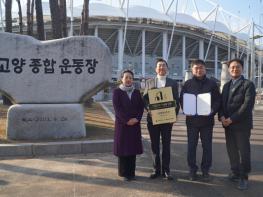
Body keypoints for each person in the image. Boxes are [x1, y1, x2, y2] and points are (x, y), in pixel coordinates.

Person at [180, 59, 221, 181]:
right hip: (191, 121)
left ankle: (205, 170)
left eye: (201, 68)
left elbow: (217, 100)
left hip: (207, 122)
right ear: (192, 70)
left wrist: (212, 111)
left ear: (205, 69)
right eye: (196, 68)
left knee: (207, 147)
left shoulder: (212, 84)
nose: (199, 70)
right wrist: (185, 109)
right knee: (191, 146)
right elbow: (182, 99)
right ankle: (192, 169)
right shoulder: (187, 84)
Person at [219, 58, 256, 190]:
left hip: (241, 125)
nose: (235, 69)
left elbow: (247, 106)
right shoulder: (227, 86)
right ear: (229, 70)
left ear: (242, 69)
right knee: (232, 150)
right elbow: (221, 104)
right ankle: (235, 172)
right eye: (232, 67)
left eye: (238, 67)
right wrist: (222, 116)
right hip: (228, 125)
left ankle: (243, 177)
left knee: (244, 151)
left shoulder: (248, 84)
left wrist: (232, 119)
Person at [143, 58, 180, 180]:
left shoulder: (173, 83)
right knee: (154, 145)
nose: (161, 68)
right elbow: (145, 99)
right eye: (159, 66)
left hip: (167, 119)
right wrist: (149, 109)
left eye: (164, 66)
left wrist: (174, 116)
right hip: (152, 119)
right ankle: (156, 169)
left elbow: (176, 101)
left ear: (167, 69)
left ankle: (166, 170)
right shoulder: (150, 82)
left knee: (166, 145)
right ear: (156, 69)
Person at [112, 69, 144, 181]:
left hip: (135, 125)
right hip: (122, 125)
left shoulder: (136, 92)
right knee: (123, 149)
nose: (129, 79)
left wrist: (137, 119)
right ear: (122, 79)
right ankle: (123, 173)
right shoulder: (117, 92)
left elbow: (141, 107)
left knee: (132, 149)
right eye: (126, 77)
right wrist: (127, 120)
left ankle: (131, 173)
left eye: (130, 77)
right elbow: (117, 109)